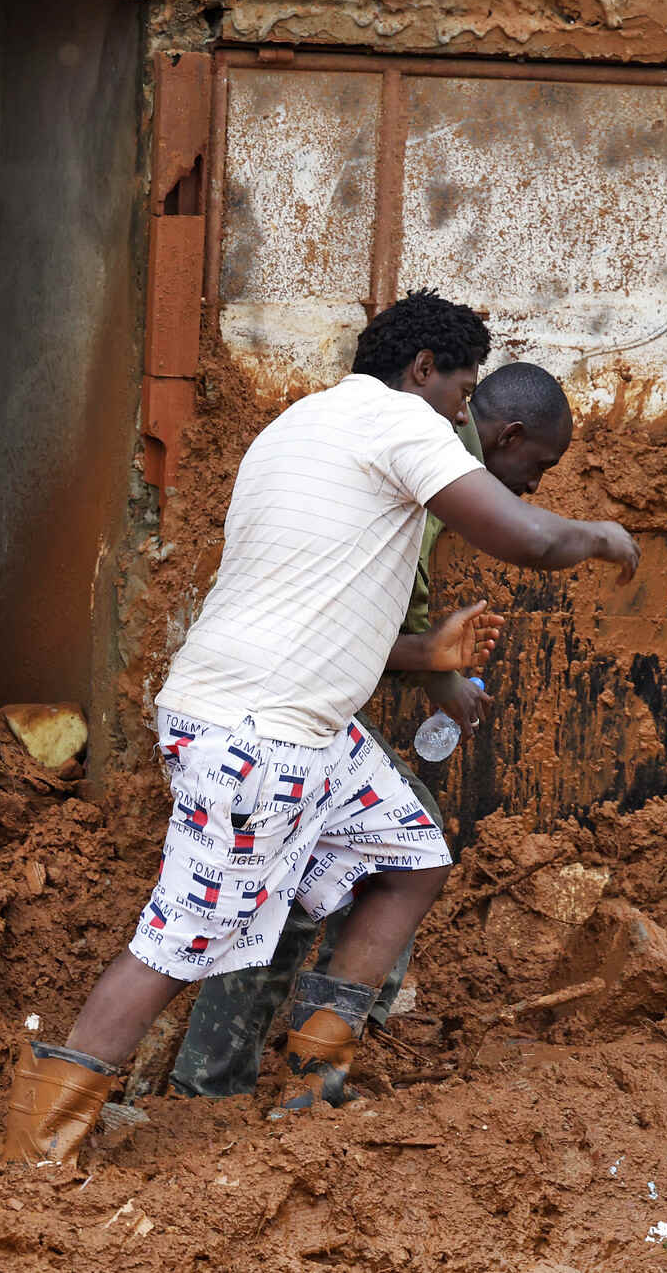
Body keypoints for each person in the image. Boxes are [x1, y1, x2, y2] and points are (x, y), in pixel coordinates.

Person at [4, 292, 638, 1164]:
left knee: (412, 850)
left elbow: (318, 604)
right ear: (423, 370)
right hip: (260, 735)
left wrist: (428, 651)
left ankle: (312, 1089)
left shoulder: (299, 425)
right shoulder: (402, 422)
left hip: (288, 721)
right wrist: (600, 536)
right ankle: (39, 1146)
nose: (464, 411)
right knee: (180, 936)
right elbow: (529, 540)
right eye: (461, 388)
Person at [168, 360, 578, 1100]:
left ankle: (274, 1072)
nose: (534, 485)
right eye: (538, 465)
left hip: (267, 699)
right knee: (304, 877)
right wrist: (432, 661)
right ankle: (249, 1080)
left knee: (378, 852)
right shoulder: (423, 459)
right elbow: (346, 623)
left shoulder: (356, 442)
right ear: (507, 433)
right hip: (274, 708)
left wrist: (432, 666)